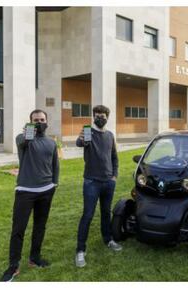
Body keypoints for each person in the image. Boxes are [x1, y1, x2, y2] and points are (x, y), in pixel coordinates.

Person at [0, 109, 59, 282]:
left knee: (40, 226)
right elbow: (24, 140)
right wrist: (29, 130)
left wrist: (54, 183)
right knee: (18, 229)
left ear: (47, 121)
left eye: (42, 119)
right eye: (36, 120)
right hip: (26, 191)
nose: (40, 122)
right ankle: (13, 266)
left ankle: (35, 258)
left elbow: (55, 165)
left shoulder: (51, 142)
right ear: (30, 122)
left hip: (47, 190)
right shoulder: (23, 138)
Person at [75, 105, 121, 268]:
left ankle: (108, 239)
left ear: (107, 117)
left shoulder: (110, 135)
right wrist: (81, 138)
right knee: (87, 215)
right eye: (97, 115)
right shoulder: (88, 132)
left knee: (106, 213)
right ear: (93, 117)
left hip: (108, 182)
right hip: (91, 182)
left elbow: (114, 157)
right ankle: (80, 250)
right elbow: (80, 143)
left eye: (102, 116)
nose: (100, 118)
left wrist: (114, 175)